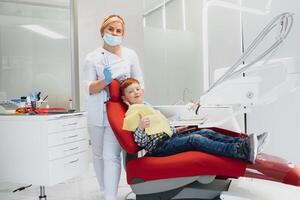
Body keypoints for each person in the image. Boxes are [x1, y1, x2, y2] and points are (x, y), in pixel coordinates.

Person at [120, 78, 269, 163]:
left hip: (169, 138)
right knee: (195, 139)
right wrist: (140, 127)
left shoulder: (147, 106)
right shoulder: (132, 113)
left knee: (206, 131)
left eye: (137, 89)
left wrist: (175, 130)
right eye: (130, 91)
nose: (135, 92)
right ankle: (239, 152)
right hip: (159, 148)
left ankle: (243, 144)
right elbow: (139, 142)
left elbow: (160, 127)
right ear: (124, 98)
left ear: (142, 91)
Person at [82, 15, 144, 200]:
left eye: (118, 31)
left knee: (112, 155)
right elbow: (88, 88)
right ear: (103, 31)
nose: (114, 33)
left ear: (123, 34)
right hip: (96, 112)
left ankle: (110, 196)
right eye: (111, 29)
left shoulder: (130, 55)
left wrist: (133, 92)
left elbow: (140, 81)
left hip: (118, 111)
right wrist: (105, 81)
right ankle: (104, 189)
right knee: (98, 154)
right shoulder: (92, 58)